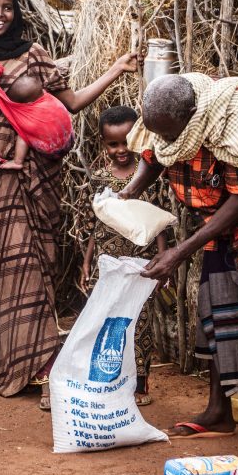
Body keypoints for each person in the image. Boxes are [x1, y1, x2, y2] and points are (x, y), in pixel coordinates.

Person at [0, 0, 137, 409]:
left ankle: (42, 365)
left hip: (31, 184)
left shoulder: (34, 57)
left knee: (30, 267)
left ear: (16, 13)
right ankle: (7, 362)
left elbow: (71, 103)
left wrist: (116, 68)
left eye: (6, 7)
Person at [122, 73, 238, 469]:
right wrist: (127, 193)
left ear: (191, 116)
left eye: (173, 134)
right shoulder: (164, 115)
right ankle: (218, 412)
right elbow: (155, 155)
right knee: (219, 302)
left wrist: (181, 251)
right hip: (221, 210)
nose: (167, 142)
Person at [79, 106, 173, 406]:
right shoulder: (99, 178)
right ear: (103, 143)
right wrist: (87, 262)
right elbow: (96, 224)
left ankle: (140, 383)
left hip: (141, 262)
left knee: (140, 322)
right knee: (107, 319)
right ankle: (110, 377)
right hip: (107, 262)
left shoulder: (149, 175)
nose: (120, 150)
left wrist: (161, 261)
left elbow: (159, 222)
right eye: (112, 144)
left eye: (125, 143)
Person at [0, 74, 44, 170]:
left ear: (28, 104)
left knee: (22, 134)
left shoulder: (30, 116)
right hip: (68, 136)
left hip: (52, 148)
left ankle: (17, 162)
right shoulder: (47, 96)